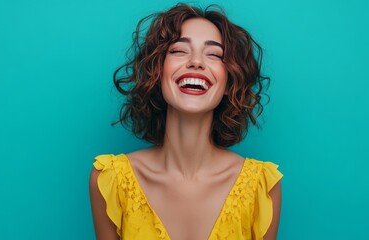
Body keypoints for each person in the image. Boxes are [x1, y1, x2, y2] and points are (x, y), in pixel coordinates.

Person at [89, 3, 282, 240]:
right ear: (156, 72)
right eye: (179, 50)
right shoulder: (109, 180)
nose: (196, 62)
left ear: (229, 81)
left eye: (214, 54)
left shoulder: (262, 188)